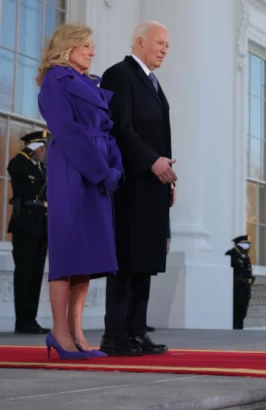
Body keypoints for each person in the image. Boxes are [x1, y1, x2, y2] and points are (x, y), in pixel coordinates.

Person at [36, 22, 123, 360]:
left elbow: (108, 130)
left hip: (97, 170)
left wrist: (116, 166)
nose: (92, 51)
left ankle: (76, 331)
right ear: (68, 47)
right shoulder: (55, 82)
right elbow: (68, 131)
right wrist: (101, 170)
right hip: (73, 169)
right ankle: (59, 332)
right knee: (68, 250)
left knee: (86, 255)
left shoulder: (89, 84)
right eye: (86, 45)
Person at [98, 20, 175, 356]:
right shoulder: (119, 74)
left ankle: (137, 331)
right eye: (159, 43)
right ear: (139, 41)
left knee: (145, 261)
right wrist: (150, 161)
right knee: (127, 260)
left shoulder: (153, 83)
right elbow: (121, 128)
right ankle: (115, 334)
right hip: (131, 184)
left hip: (154, 184)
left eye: (167, 46)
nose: (164, 49)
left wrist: (167, 175)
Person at [7, 130, 50, 335]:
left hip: (41, 227)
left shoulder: (42, 168)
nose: (43, 151)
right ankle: (22, 321)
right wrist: (27, 150)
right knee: (24, 275)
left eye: (43, 148)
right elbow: (14, 169)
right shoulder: (21, 164)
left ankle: (30, 319)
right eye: (39, 148)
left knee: (35, 276)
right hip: (25, 226)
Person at [225, 235, 256, 329]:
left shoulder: (245, 256)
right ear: (240, 244)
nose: (249, 246)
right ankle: (235, 328)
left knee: (243, 310)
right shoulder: (231, 254)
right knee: (236, 310)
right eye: (247, 244)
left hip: (245, 287)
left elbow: (248, 271)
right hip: (236, 287)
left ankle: (239, 328)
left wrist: (250, 279)